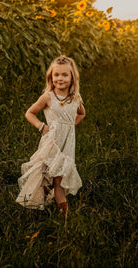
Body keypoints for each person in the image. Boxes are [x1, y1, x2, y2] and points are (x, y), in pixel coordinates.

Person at [16, 55, 85, 217]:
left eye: (64, 75)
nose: (60, 78)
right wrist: (42, 126)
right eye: (56, 75)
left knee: (58, 177)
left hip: (67, 144)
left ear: (72, 77)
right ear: (51, 77)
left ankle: (58, 206)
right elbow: (30, 113)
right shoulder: (48, 97)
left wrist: (69, 126)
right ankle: (64, 216)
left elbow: (81, 114)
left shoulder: (75, 98)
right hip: (52, 142)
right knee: (48, 173)